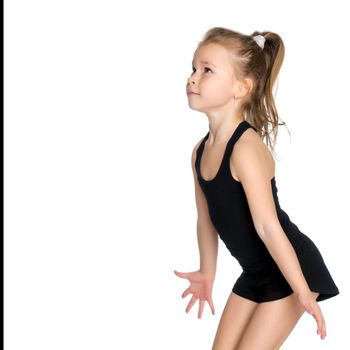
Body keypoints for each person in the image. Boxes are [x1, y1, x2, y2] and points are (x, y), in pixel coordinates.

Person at [174, 27, 339, 350]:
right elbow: (205, 219)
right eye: (193, 68)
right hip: (256, 272)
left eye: (207, 70)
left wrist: (303, 291)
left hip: (291, 269)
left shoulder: (245, 148)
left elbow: (267, 226)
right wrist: (207, 272)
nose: (193, 78)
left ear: (241, 87)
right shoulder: (199, 152)